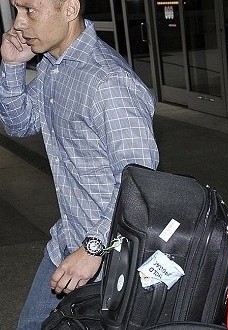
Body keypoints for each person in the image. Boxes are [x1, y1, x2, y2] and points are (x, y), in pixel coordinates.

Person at [0, 0, 159, 328]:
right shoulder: (54, 65)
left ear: (69, 9)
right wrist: (13, 65)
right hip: (67, 241)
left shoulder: (108, 83)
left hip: (112, 259)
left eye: (29, 10)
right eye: (17, 10)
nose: (19, 23)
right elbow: (20, 124)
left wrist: (94, 248)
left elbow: (141, 183)